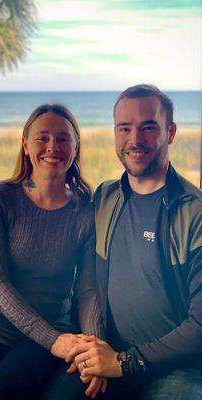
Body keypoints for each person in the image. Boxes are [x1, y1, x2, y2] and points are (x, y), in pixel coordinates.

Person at [42, 84, 202, 400]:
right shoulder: (104, 197)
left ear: (170, 132)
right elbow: (56, 234)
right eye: (124, 128)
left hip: (176, 368)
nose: (134, 140)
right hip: (106, 351)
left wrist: (124, 363)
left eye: (148, 128)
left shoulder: (194, 212)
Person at [0, 104, 104, 400]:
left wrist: (94, 347)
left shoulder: (84, 212)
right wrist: (55, 342)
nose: (53, 147)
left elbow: (88, 290)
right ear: (25, 145)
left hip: (55, 330)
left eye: (64, 138)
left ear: (76, 148)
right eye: (42, 138)